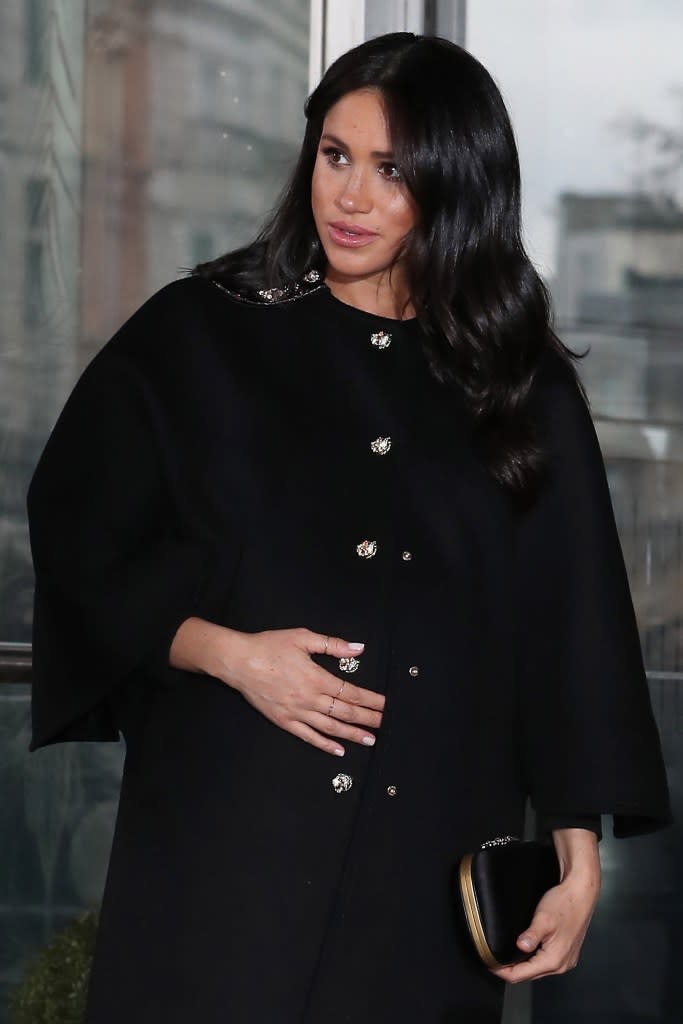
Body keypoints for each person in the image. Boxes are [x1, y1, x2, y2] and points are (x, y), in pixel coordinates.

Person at [26, 32, 670, 1024]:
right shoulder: (202, 334)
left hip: (420, 884)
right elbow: (79, 536)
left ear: (455, 186)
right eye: (333, 156)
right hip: (219, 862)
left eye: (390, 171)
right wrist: (231, 656)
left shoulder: (519, 386)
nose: (350, 198)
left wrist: (575, 848)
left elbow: (568, 620)